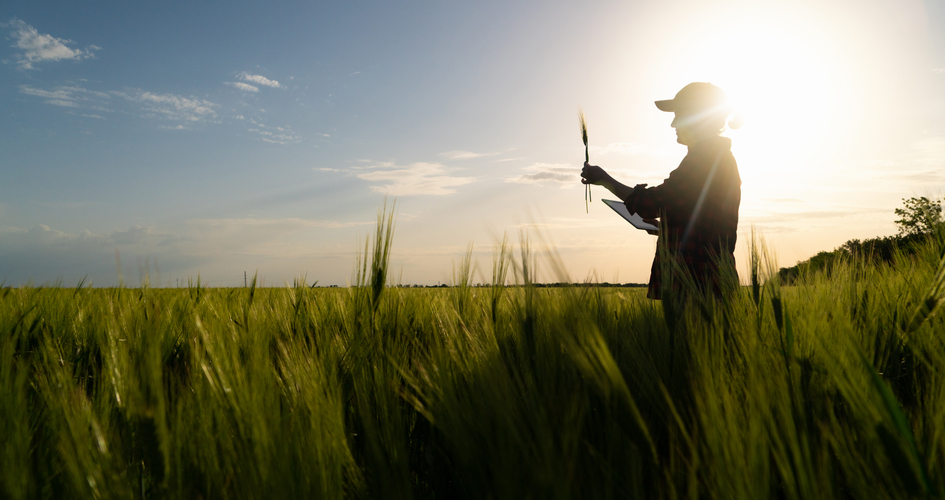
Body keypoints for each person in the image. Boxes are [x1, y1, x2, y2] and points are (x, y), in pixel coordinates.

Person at [581, 82, 742, 300]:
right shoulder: (712, 157)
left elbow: (653, 203)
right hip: (704, 281)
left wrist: (605, 180)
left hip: (698, 283)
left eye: (679, 115)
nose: (673, 123)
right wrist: (666, 228)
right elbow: (699, 217)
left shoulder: (706, 159)